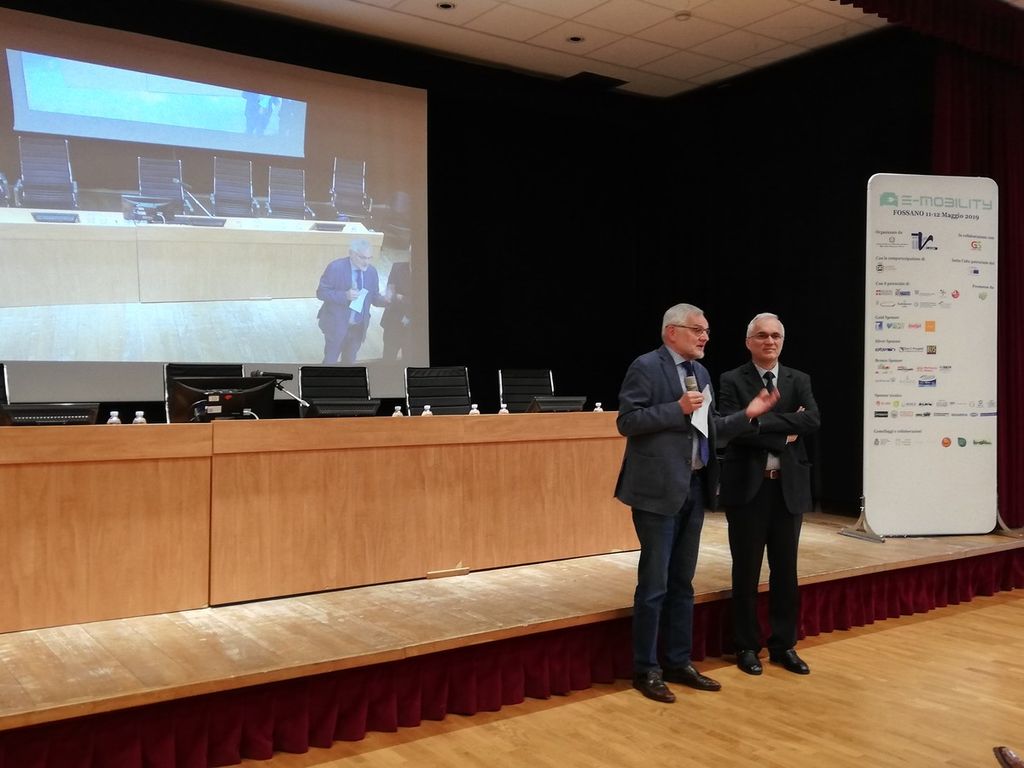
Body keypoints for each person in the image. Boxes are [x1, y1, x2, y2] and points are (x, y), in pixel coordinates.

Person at [615, 303, 780, 704]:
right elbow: (627, 421)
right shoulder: (645, 366)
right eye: (697, 330)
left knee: (682, 583)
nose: (705, 336)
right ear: (672, 332)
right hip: (656, 491)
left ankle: (678, 661)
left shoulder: (700, 373)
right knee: (654, 584)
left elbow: (712, 428)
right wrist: (676, 409)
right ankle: (646, 669)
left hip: (693, 487)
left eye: (706, 331)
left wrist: (749, 413)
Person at [718, 312, 820, 676]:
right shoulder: (731, 380)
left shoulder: (798, 379)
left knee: (785, 571)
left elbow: (812, 420)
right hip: (749, 487)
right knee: (746, 571)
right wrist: (783, 432)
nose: (770, 341)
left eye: (776, 335)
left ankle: (783, 645)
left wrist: (759, 421)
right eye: (762, 335)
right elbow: (732, 429)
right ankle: (747, 646)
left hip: (787, 488)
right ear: (749, 342)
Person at [316, 239, 387, 364]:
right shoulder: (335, 268)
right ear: (351, 253)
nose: (366, 262)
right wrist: (344, 295)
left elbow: (374, 297)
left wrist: (386, 300)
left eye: (369, 258)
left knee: (349, 362)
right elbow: (321, 293)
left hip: (358, 327)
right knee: (330, 361)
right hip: (336, 325)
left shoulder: (371, 272)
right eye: (363, 258)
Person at [380, 259, 413, 361]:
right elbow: (390, 296)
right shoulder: (397, 267)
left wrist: (401, 297)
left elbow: (422, 303)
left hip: (414, 327)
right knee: (388, 359)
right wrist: (403, 299)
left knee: (410, 361)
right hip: (393, 322)